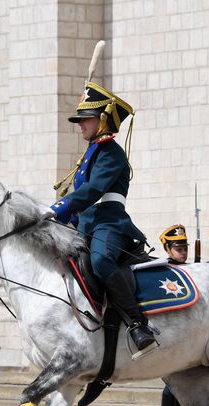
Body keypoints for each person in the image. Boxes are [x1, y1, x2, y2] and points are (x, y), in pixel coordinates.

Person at [50, 81, 155, 353]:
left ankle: (137, 323)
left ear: (103, 120)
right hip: (87, 225)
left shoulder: (111, 153)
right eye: (80, 119)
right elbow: (82, 200)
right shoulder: (92, 152)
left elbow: (93, 190)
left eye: (86, 119)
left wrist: (58, 208)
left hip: (109, 223)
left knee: (101, 260)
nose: (80, 124)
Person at [156, 224, 195, 406]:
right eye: (177, 248)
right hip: (170, 332)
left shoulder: (190, 269)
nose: (182, 251)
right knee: (172, 382)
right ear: (168, 249)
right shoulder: (164, 272)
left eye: (184, 247)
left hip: (187, 332)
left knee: (180, 381)